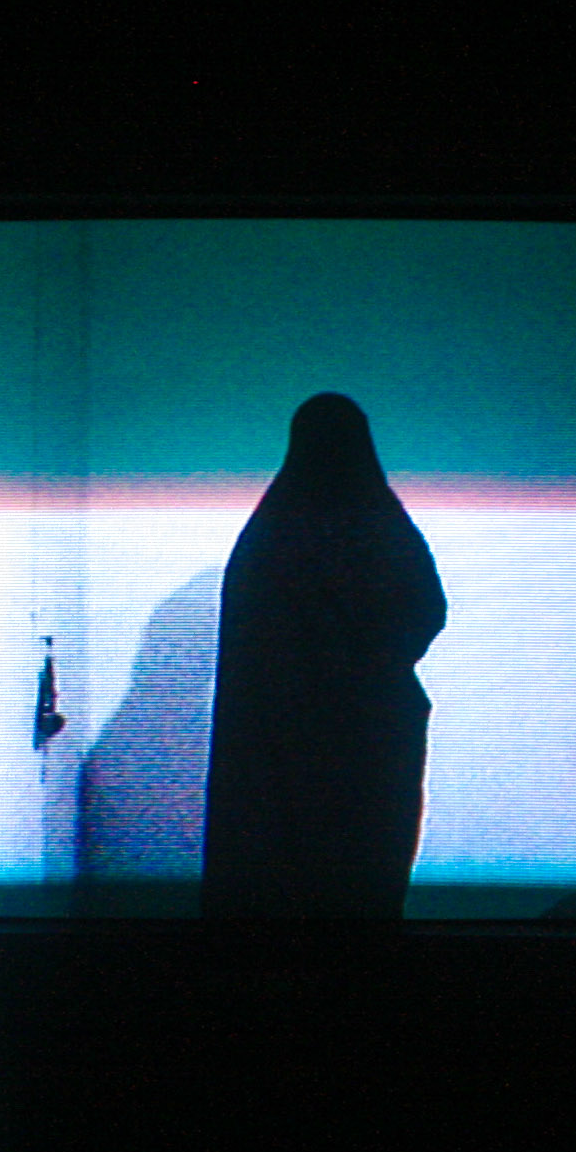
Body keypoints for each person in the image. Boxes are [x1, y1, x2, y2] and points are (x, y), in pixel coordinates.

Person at [201, 392, 445, 918]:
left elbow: (248, 642)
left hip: (275, 732)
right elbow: (427, 610)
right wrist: (373, 664)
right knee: (362, 870)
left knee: (277, 862)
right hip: (370, 730)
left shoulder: (266, 537)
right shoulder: (383, 526)